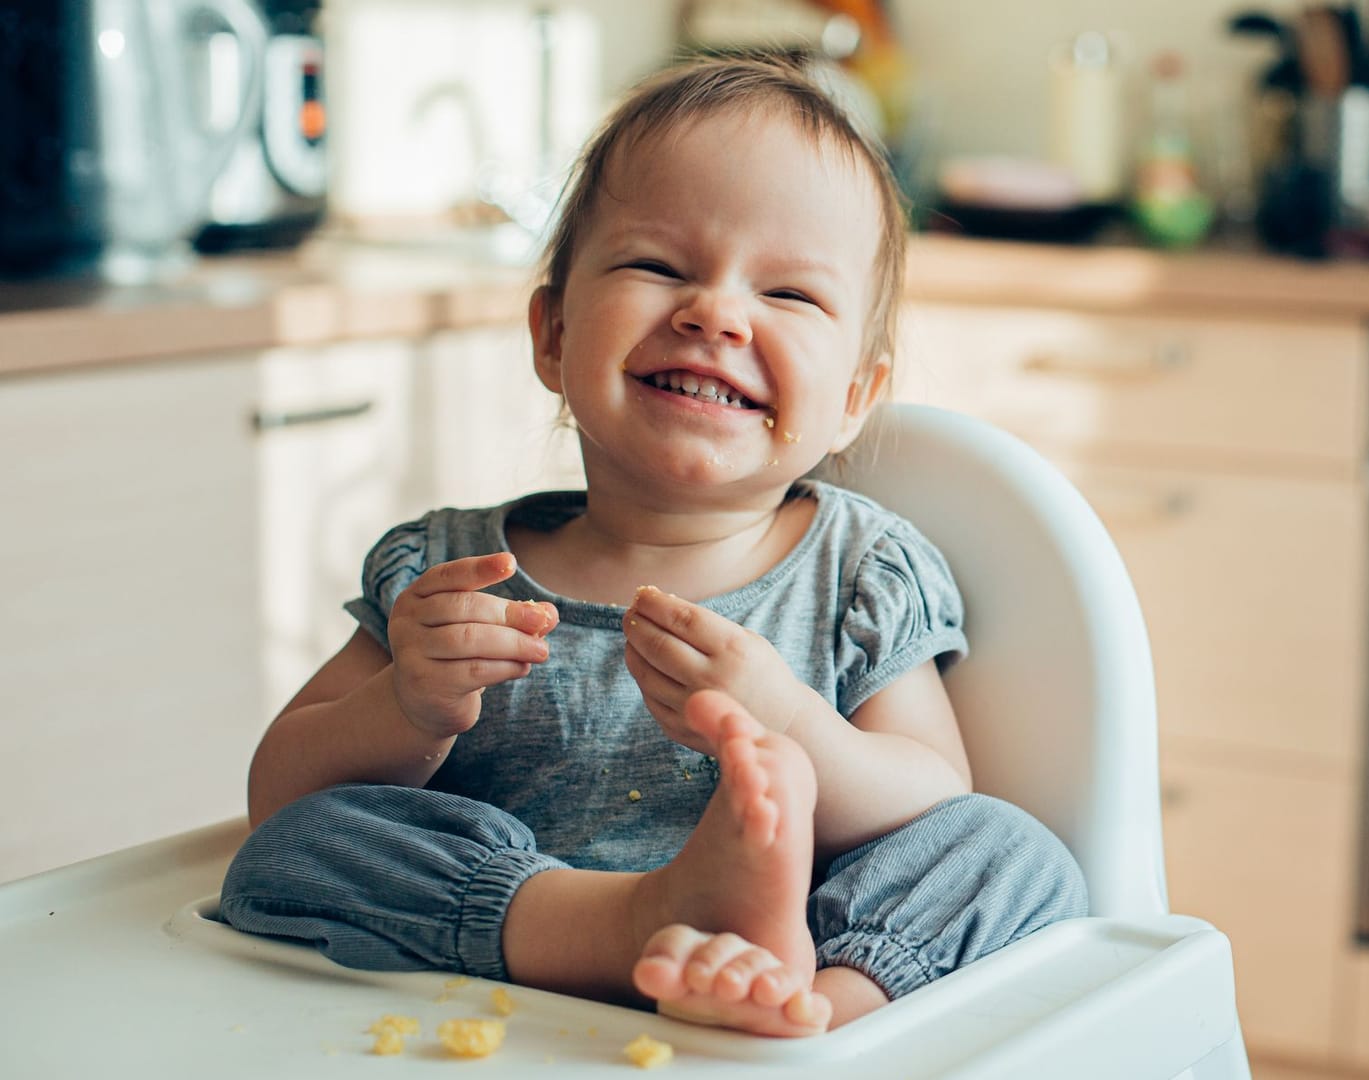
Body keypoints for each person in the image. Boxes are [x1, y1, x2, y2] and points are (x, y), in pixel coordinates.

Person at [220, 55, 1088, 1038]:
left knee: (1008, 851)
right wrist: (407, 703)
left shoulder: (857, 574)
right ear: (551, 334)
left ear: (853, 397)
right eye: (658, 266)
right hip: (520, 968)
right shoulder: (455, 573)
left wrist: (791, 723)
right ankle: (632, 927)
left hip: (786, 936)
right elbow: (278, 793)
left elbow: (932, 789)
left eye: (791, 296)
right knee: (300, 846)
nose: (713, 312)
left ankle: (812, 1011)